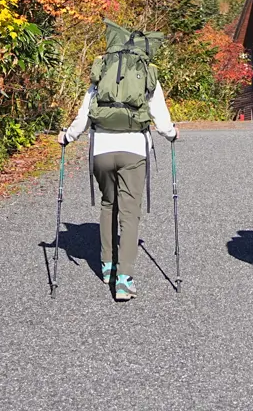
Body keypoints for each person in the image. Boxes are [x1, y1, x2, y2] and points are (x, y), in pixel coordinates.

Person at [60, 23, 178, 302]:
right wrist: (172, 133)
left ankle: (107, 265)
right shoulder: (147, 71)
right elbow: (160, 117)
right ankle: (124, 279)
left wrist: (67, 137)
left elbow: (84, 113)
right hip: (134, 149)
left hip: (102, 149)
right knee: (130, 212)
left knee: (107, 204)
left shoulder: (103, 69)